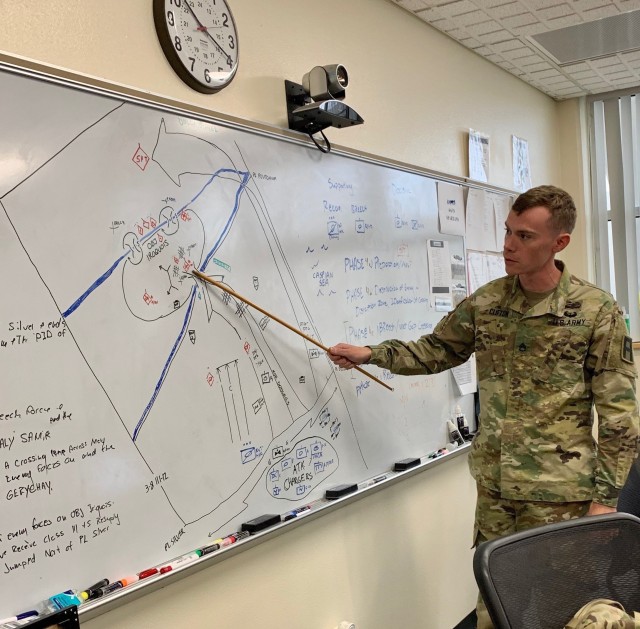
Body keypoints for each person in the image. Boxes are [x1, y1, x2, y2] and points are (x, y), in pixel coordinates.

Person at [327, 185, 639, 629]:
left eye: (525, 236)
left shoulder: (595, 311)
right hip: (495, 488)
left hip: (561, 495)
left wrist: (606, 502)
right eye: (508, 231)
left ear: (559, 242)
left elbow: (619, 416)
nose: (509, 245)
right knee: (497, 609)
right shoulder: (487, 302)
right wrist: (372, 354)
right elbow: (436, 350)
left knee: (569, 612)